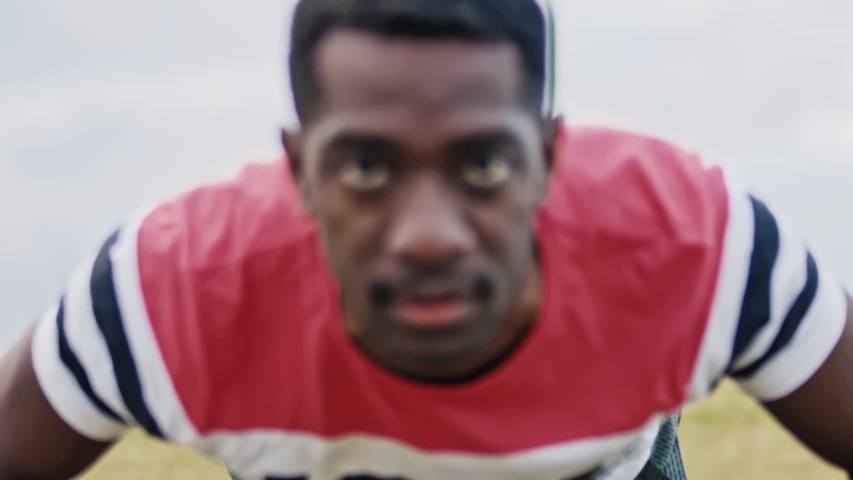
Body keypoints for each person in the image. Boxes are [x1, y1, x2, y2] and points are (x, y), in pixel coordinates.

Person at [1, 0, 852, 479]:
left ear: (551, 158)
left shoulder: (695, 252)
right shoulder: (172, 293)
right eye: (366, 169)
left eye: (481, 165)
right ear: (297, 168)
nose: (428, 238)